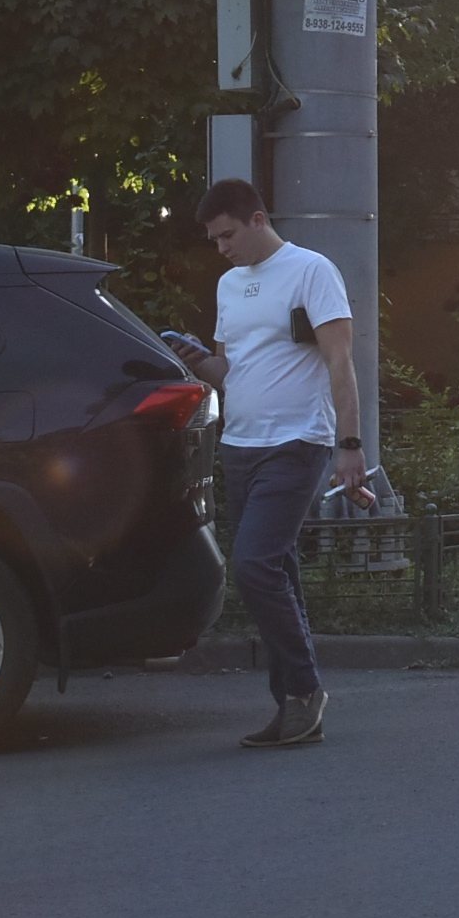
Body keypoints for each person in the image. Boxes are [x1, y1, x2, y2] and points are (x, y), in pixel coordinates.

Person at [175, 178, 367, 751]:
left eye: (227, 235)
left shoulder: (312, 271)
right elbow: (233, 372)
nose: (221, 248)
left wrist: (349, 445)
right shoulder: (229, 286)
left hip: (297, 442)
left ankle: (306, 691)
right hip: (241, 444)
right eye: (213, 240)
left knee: (254, 566)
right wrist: (195, 359)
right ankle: (294, 707)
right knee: (277, 568)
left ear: (257, 219)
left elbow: (340, 361)